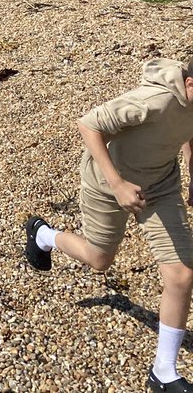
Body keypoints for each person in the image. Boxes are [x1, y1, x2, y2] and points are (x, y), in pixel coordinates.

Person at [25, 57, 193, 392]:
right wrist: (117, 185)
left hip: (160, 185)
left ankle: (163, 372)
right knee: (99, 260)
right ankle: (43, 235)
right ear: (190, 86)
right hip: (107, 185)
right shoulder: (153, 101)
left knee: (182, 274)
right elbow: (88, 124)